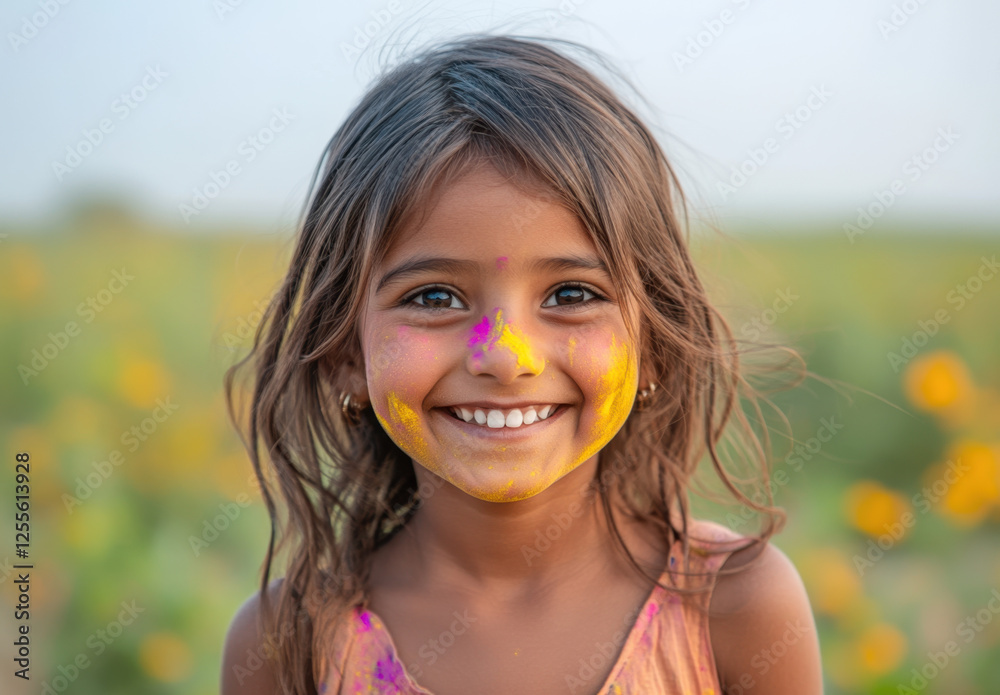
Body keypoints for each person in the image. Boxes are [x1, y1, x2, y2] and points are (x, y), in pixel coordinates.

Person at [220, 32, 823, 695]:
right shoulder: (290, 645)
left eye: (571, 294)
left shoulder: (734, 609)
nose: (507, 357)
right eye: (434, 297)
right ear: (343, 355)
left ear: (651, 341)